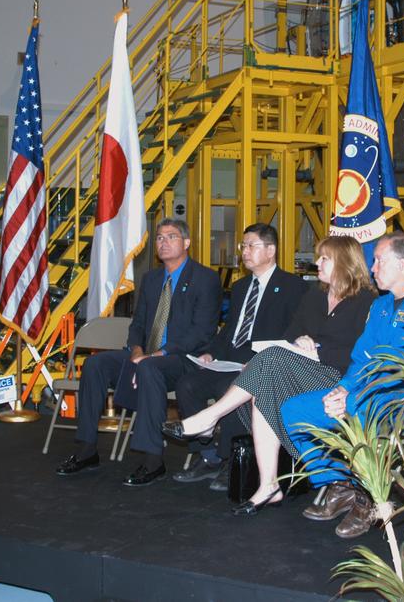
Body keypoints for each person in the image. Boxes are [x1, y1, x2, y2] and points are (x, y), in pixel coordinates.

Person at [163, 235, 375, 516]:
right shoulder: (314, 295)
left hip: (337, 378)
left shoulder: (367, 301)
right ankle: (268, 485)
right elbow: (289, 336)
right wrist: (300, 340)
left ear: (345, 262)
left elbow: (361, 353)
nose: (317, 263)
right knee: (263, 384)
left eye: (324, 258)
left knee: (267, 363)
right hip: (300, 371)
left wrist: (318, 350)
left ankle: (209, 417)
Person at [283, 232, 404, 539]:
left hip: (403, 401)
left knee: (358, 412)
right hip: (363, 393)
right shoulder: (381, 307)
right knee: (294, 410)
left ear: (402, 264)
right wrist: (343, 388)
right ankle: (341, 483)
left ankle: (369, 495)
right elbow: (360, 357)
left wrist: (354, 396)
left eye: (378, 261)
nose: (372, 268)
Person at [56, 218, 222, 486]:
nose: (163, 242)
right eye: (159, 238)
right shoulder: (152, 279)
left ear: (186, 243)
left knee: (148, 367)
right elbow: (138, 324)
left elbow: (201, 332)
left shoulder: (205, 278)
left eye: (171, 237)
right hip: (148, 357)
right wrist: (135, 350)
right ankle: (86, 450)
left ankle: (153, 461)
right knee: (96, 364)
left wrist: (156, 355)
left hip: (184, 360)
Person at [169, 223, 308, 492]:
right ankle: (207, 455)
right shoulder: (241, 286)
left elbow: (293, 332)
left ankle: (229, 459)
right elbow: (230, 330)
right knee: (187, 384)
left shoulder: (292, 287)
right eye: (243, 246)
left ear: (271, 250)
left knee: (229, 388)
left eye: (251, 246)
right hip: (229, 358)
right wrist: (211, 353)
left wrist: (262, 358)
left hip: (260, 360)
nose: (244, 251)